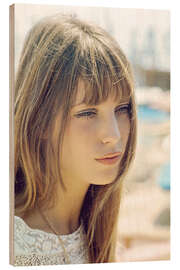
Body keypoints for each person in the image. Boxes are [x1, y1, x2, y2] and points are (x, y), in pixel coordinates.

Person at [13, 13, 137, 266]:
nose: (113, 135)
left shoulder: (95, 228)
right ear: (40, 121)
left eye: (122, 108)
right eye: (87, 113)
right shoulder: (16, 250)